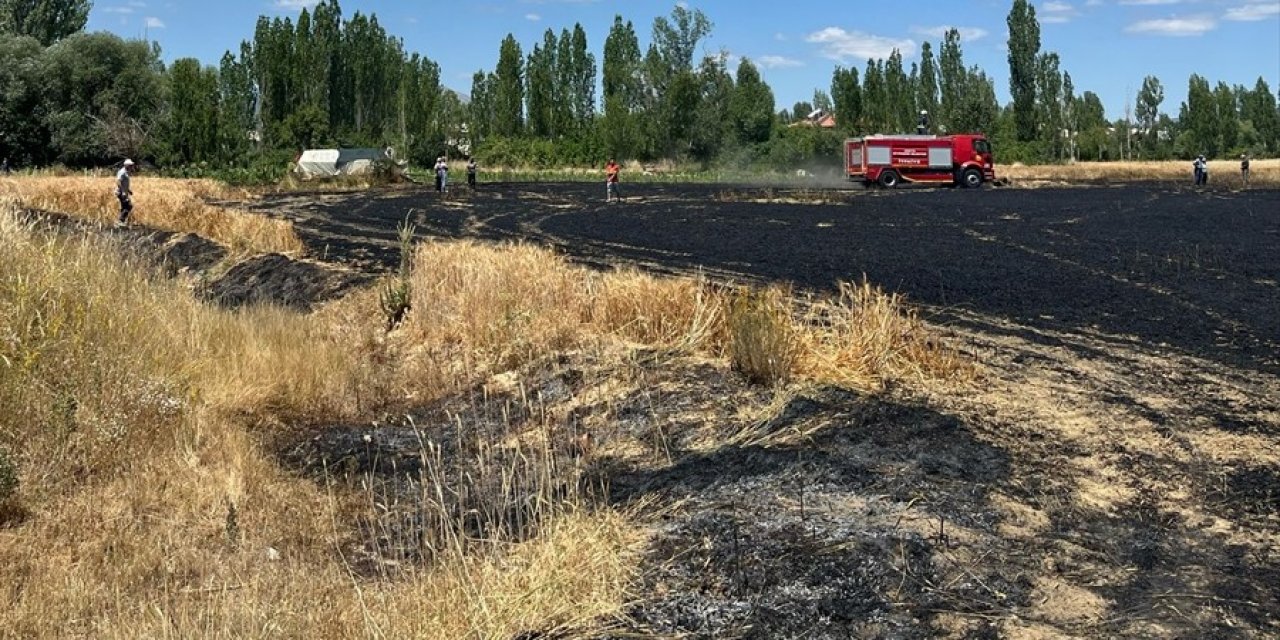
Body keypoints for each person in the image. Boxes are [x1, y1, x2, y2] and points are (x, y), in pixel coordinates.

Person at [115, 159, 135, 226]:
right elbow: (118, 181)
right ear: (126, 165)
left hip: (124, 192)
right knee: (129, 206)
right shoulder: (122, 172)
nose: (132, 166)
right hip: (120, 192)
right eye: (130, 165)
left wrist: (128, 190)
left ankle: (121, 222)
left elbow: (124, 183)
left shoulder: (126, 172)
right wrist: (123, 191)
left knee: (124, 207)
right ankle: (120, 221)